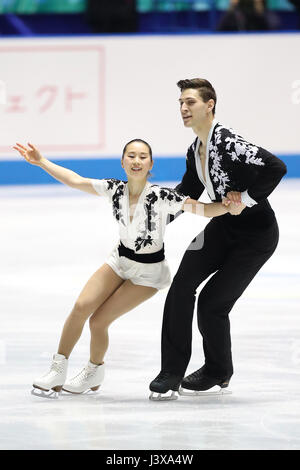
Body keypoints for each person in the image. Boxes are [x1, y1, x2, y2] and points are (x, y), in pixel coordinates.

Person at [13, 139, 238, 396]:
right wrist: (41, 161)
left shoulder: (162, 196)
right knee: (80, 307)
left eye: (143, 157)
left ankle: (93, 371)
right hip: (119, 261)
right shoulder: (114, 189)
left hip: (147, 274)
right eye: (131, 156)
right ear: (122, 162)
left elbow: (204, 210)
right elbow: (76, 180)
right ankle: (58, 368)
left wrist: (230, 206)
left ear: (150, 164)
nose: (136, 161)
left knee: (98, 322)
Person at [149, 78, 287, 400]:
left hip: (256, 236)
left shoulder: (228, 141)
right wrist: (158, 217)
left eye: (191, 102)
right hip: (221, 229)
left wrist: (247, 200)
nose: (183, 108)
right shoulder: (195, 149)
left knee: (212, 303)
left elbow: (275, 167)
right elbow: (190, 190)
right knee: (182, 286)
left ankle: (217, 370)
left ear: (209, 104)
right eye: (181, 103)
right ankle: (171, 371)